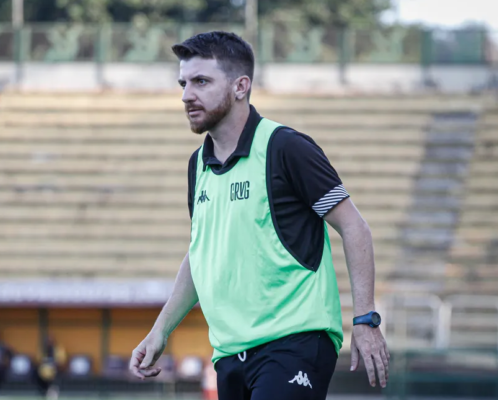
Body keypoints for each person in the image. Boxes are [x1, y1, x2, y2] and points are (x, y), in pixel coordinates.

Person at [129, 31, 390, 400]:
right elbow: (201, 253)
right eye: (184, 83)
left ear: (241, 86)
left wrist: (365, 320)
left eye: (202, 81)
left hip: (295, 341)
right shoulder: (197, 166)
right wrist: (160, 330)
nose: (187, 94)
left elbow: (354, 227)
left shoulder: (285, 147)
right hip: (229, 354)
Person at [35, 335, 67, 400]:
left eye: (50, 341)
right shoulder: (43, 350)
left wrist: (54, 365)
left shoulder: (58, 349)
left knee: (58, 373)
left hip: (55, 370)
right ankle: (42, 392)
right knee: (36, 372)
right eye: (47, 341)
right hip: (43, 370)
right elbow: (38, 360)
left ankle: (54, 391)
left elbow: (61, 361)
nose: (49, 343)